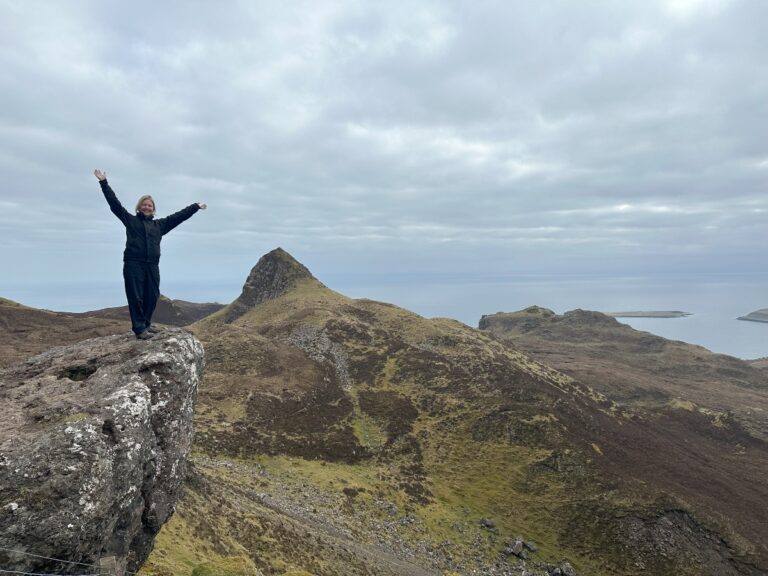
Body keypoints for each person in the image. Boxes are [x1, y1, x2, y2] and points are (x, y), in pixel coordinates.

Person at [94, 169, 207, 339]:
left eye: (150, 205)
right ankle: (139, 329)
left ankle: (146, 323)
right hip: (133, 263)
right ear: (139, 207)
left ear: (153, 210)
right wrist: (104, 182)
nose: (147, 207)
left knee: (153, 295)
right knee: (136, 296)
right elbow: (114, 204)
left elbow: (178, 217)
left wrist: (195, 207)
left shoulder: (159, 225)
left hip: (152, 265)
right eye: (144, 205)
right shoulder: (130, 220)